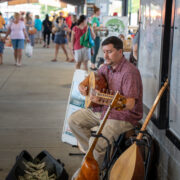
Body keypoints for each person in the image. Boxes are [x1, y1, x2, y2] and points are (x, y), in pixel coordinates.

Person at [68, 36, 143, 176]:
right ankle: (95, 159)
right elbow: (93, 76)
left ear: (120, 52)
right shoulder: (106, 67)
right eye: (104, 52)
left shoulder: (130, 72)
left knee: (96, 142)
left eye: (109, 52)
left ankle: (90, 171)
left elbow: (130, 104)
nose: (105, 55)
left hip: (123, 116)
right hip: (102, 111)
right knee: (74, 120)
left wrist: (105, 101)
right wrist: (82, 85)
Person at [90, 6, 107, 71]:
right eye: (99, 11)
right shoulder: (94, 18)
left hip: (96, 37)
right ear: (96, 12)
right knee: (95, 51)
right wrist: (101, 26)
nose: (100, 12)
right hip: (95, 37)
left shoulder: (95, 18)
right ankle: (92, 65)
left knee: (95, 51)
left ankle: (93, 64)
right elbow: (94, 28)